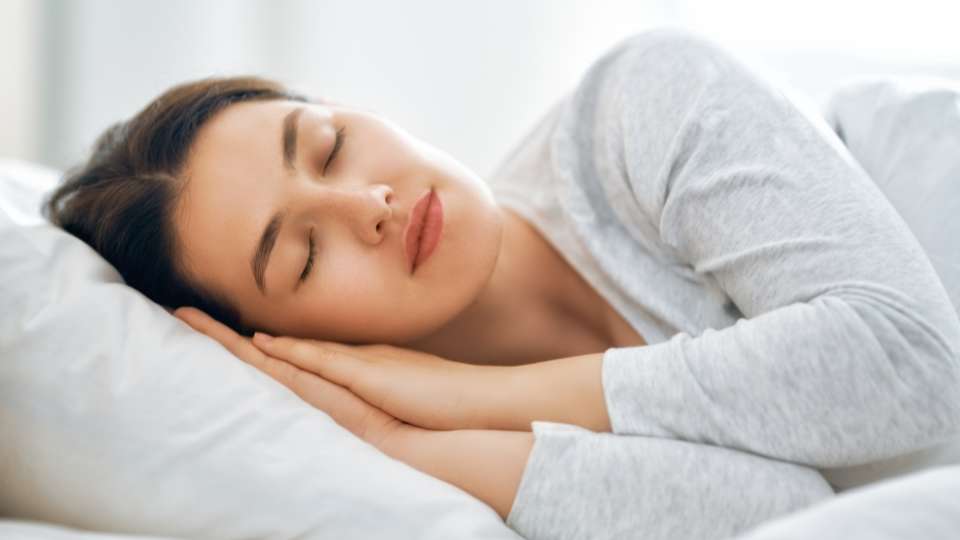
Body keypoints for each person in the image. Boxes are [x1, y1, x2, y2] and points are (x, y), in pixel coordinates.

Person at [43, 29, 960, 539]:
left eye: (327, 144)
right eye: (304, 258)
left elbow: (913, 367)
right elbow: (796, 523)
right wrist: (394, 440)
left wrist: (481, 394)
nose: (370, 202)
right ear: (286, 349)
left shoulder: (640, 105)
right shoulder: (466, 461)